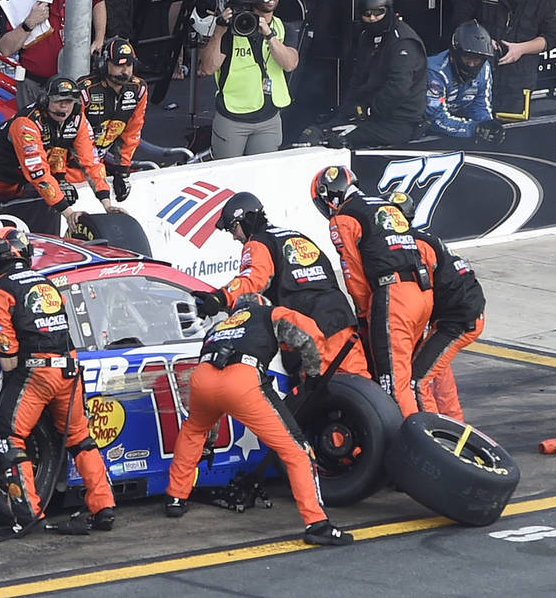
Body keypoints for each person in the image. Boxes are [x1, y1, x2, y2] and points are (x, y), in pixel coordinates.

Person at [163, 292, 353, 547]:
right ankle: (317, 523)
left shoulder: (220, 326)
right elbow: (307, 334)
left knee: (194, 430)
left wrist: (209, 440)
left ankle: (175, 497)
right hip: (242, 379)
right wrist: (313, 375)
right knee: (296, 450)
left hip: (203, 378)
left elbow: (214, 396)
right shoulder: (268, 313)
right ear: (261, 304)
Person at [0, 226, 116, 534]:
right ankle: (104, 506)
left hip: (38, 371)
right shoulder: (47, 283)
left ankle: (28, 515)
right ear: (26, 254)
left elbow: (8, 357)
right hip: (70, 368)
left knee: (7, 438)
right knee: (80, 437)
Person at [194, 192, 371, 380]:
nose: (235, 237)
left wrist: (220, 297)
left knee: (318, 396)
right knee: (363, 392)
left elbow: (253, 279)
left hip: (309, 328)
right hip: (341, 319)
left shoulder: (258, 243)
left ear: (244, 220)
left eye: (233, 229)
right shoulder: (297, 237)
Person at [310, 165, 433, 417]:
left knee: (394, 384)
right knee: (414, 378)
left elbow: (353, 273)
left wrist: (366, 315)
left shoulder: (343, 218)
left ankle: (414, 448)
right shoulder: (386, 205)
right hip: (423, 294)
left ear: (327, 194)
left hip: (394, 297)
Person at [0, 75, 119, 230]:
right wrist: (68, 213)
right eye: (58, 101)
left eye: (69, 101)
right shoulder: (26, 123)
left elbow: (91, 161)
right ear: (45, 100)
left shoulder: (78, 120)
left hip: (15, 182)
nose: (64, 107)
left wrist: (107, 204)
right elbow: (38, 173)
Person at [387, 192, 485, 421]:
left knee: (417, 380)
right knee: (437, 372)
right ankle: (456, 426)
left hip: (457, 319)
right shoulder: (427, 238)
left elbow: (422, 294)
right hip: (461, 314)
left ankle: (433, 439)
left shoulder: (411, 245)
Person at [299, 0, 427, 149]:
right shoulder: (366, 37)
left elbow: (398, 88)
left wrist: (368, 110)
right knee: (313, 132)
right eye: (367, 14)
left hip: (399, 121)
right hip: (369, 116)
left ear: (388, 9)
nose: (372, 18)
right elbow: (358, 78)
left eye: (378, 12)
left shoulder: (403, 42)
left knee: (331, 139)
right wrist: (347, 111)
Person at [199, 0, 299, 159]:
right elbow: (207, 68)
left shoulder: (282, 28)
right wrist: (220, 30)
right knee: (226, 178)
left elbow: (290, 64)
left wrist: (268, 34)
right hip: (233, 118)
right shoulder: (232, 27)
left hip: (269, 118)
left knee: (263, 177)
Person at [466, 0, 556, 119]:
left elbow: (551, 37)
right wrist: (483, 40)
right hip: (484, 68)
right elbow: (465, 18)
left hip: (520, 75)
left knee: (513, 128)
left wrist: (521, 49)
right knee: (479, 122)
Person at [73, 38, 146, 202]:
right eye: (119, 65)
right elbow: (74, 138)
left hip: (99, 166)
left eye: (129, 65)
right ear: (104, 64)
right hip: (71, 166)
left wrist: (122, 170)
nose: (125, 71)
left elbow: (132, 133)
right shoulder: (85, 90)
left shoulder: (138, 89)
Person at [424, 20, 503, 142]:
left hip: (456, 120)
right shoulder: (435, 72)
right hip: (424, 126)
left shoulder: (485, 68)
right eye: (467, 57)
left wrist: (487, 126)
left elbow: (479, 104)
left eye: (477, 59)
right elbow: (435, 119)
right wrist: (474, 128)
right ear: (455, 53)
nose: (472, 64)